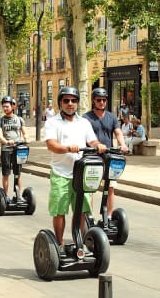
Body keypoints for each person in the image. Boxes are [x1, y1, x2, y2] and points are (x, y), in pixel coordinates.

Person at [44, 86, 106, 252]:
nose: (70, 104)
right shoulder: (52, 122)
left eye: (73, 100)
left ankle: (77, 242)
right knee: (59, 211)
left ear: (77, 103)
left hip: (81, 173)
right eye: (66, 100)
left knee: (81, 211)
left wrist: (98, 145)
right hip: (60, 173)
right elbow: (51, 144)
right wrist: (66, 148)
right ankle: (59, 244)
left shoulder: (84, 123)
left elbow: (91, 141)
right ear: (60, 103)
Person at [83, 87, 128, 218]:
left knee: (111, 187)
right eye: (98, 100)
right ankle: (89, 216)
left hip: (108, 157)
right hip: (92, 157)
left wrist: (123, 145)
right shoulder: (86, 118)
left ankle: (108, 216)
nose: (101, 102)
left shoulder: (112, 117)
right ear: (93, 101)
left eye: (104, 100)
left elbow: (118, 132)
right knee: (90, 188)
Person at [0, 96, 30, 201]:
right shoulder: (0, 120)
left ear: (13, 106)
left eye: (7, 106)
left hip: (18, 149)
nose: (5, 108)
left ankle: (19, 195)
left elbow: (25, 133)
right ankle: (5, 196)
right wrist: (6, 142)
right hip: (6, 149)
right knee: (6, 173)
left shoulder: (19, 119)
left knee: (18, 173)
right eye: (3, 106)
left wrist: (27, 138)